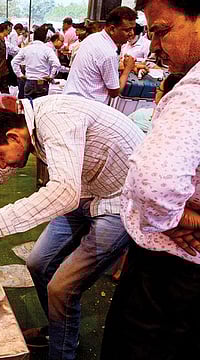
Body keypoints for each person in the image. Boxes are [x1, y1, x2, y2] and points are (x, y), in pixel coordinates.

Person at [0, 94, 144, 360]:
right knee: (38, 262)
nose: (1, 164)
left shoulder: (57, 120)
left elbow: (64, 192)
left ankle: (62, 354)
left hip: (121, 200)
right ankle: (60, 328)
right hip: (88, 192)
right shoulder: (27, 129)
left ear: (13, 137)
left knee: (61, 288)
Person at [101, 1, 200, 359]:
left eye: (161, 30)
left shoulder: (193, 91)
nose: (154, 45)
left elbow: (155, 187)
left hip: (171, 271)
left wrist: (176, 218)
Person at [63, 6, 137, 104]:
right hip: (85, 107)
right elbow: (114, 92)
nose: (131, 34)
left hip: (71, 99)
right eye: (127, 30)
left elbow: (98, 68)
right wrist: (127, 69)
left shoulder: (93, 38)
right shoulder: (108, 53)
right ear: (112, 29)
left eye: (133, 29)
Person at [12, 28, 60, 100]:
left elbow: (14, 62)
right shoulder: (47, 50)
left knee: (28, 107)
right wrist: (51, 76)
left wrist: (20, 75)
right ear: (45, 39)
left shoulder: (26, 49)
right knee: (40, 106)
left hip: (29, 81)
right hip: (42, 82)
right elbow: (56, 64)